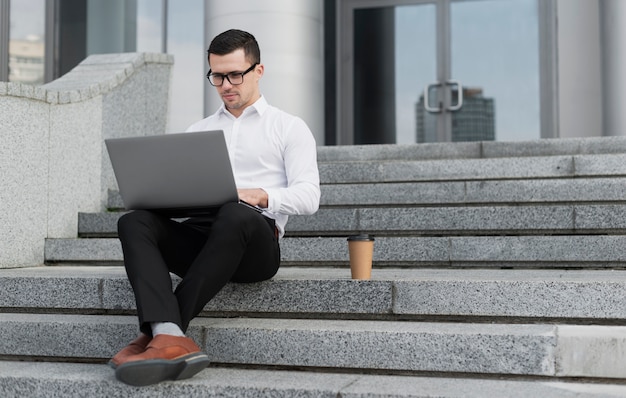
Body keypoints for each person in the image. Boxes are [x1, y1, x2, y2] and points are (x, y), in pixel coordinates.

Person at [109, 29, 320, 387]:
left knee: (235, 212)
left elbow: (309, 197)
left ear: (259, 70)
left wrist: (254, 194)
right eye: (217, 76)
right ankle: (167, 332)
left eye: (235, 74)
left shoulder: (289, 127)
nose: (225, 85)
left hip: (255, 243)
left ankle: (167, 330)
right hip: (201, 236)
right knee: (135, 222)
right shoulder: (199, 130)